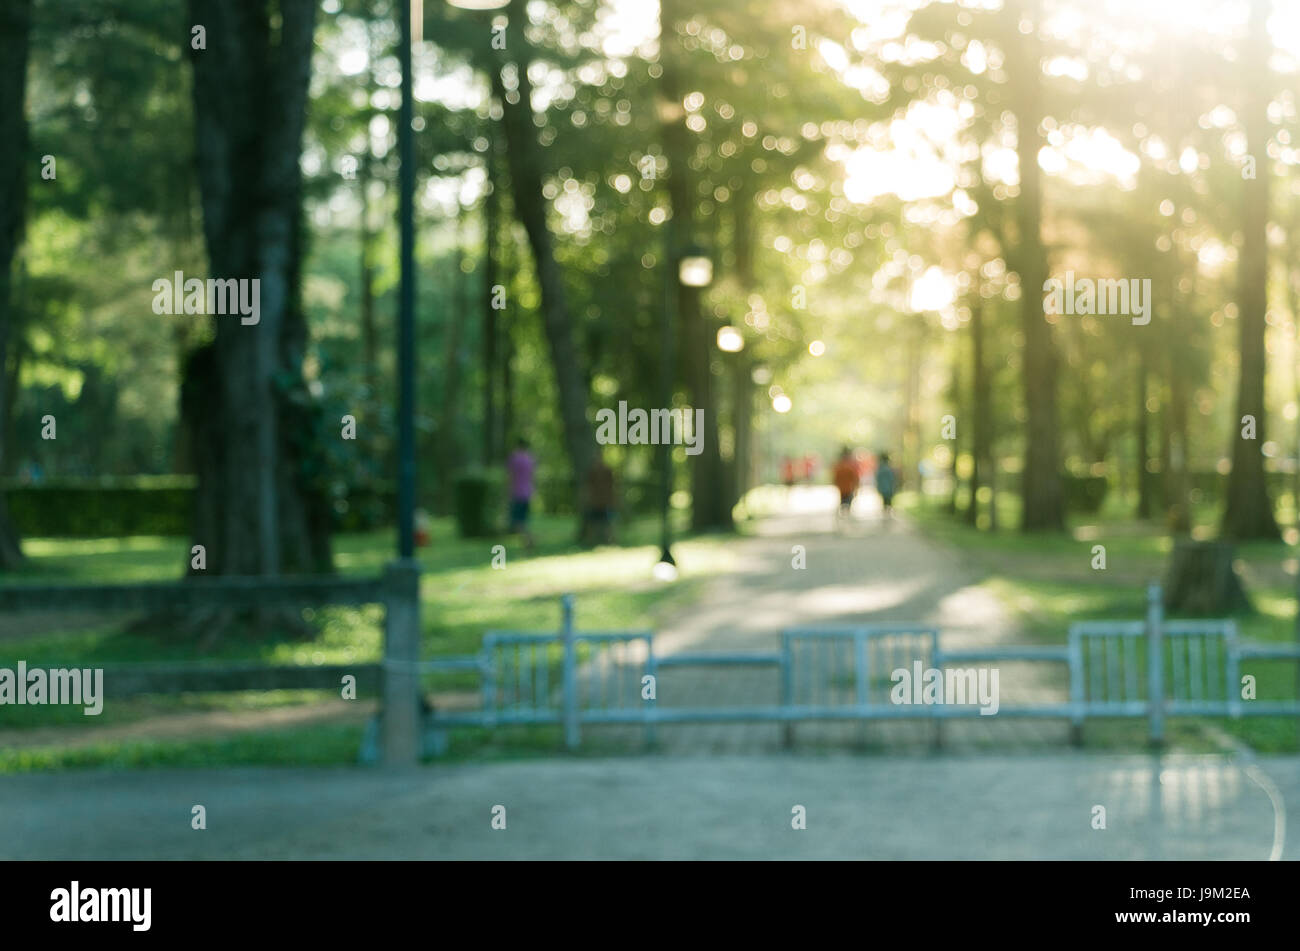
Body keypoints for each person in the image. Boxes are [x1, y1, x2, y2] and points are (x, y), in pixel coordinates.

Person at [507, 437, 536, 551]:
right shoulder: (530, 459)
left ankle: (528, 540)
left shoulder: (514, 458)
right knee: (523, 520)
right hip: (528, 492)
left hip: (517, 492)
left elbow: (510, 476)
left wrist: (507, 492)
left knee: (518, 521)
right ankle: (527, 541)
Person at [581, 453, 616, 546]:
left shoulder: (607, 471)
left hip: (605, 502)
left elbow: (612, 485)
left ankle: (610, 541)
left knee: (608, 523)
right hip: (595, 502)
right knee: (592, 523)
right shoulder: (591, 472)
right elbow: (588, 486)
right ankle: (591, 541)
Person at [831, 446, 859, 520]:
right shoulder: (850, 466)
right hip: (847, 488)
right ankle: (846, 518)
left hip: (843, 488)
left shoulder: (839, 466)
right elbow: (855, 478)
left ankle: (844, 518)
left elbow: (835, 478)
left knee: (843, 504)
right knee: (846, 504)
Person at [875, 452, 897, 517]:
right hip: (888, 487)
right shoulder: (889, 468)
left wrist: (878, 487)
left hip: (884, 487)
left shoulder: (880, 468)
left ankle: (886, 512)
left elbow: (878, 478)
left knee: (885, 500)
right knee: (888, 500)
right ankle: (888, 512)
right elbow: (892, 478)